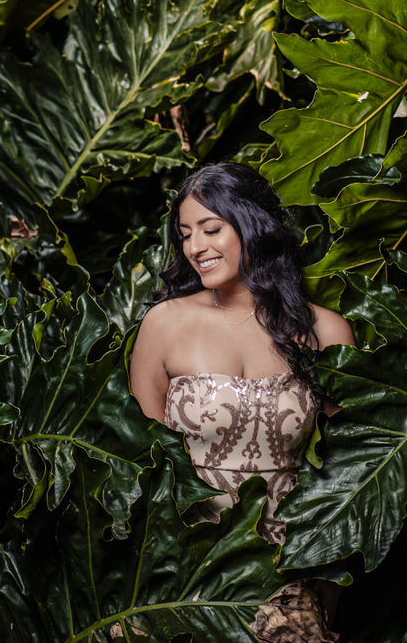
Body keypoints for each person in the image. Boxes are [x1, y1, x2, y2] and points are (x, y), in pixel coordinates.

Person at [129, 162, 353, 642]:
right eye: (186, 234)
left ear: (253, 225)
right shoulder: (164, 323)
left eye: (211, 229)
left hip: (286, 567)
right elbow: (138, 460)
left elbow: (351, 462)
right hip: (184, 564)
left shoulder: (325, 331)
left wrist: (319, 578)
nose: (195, 247)